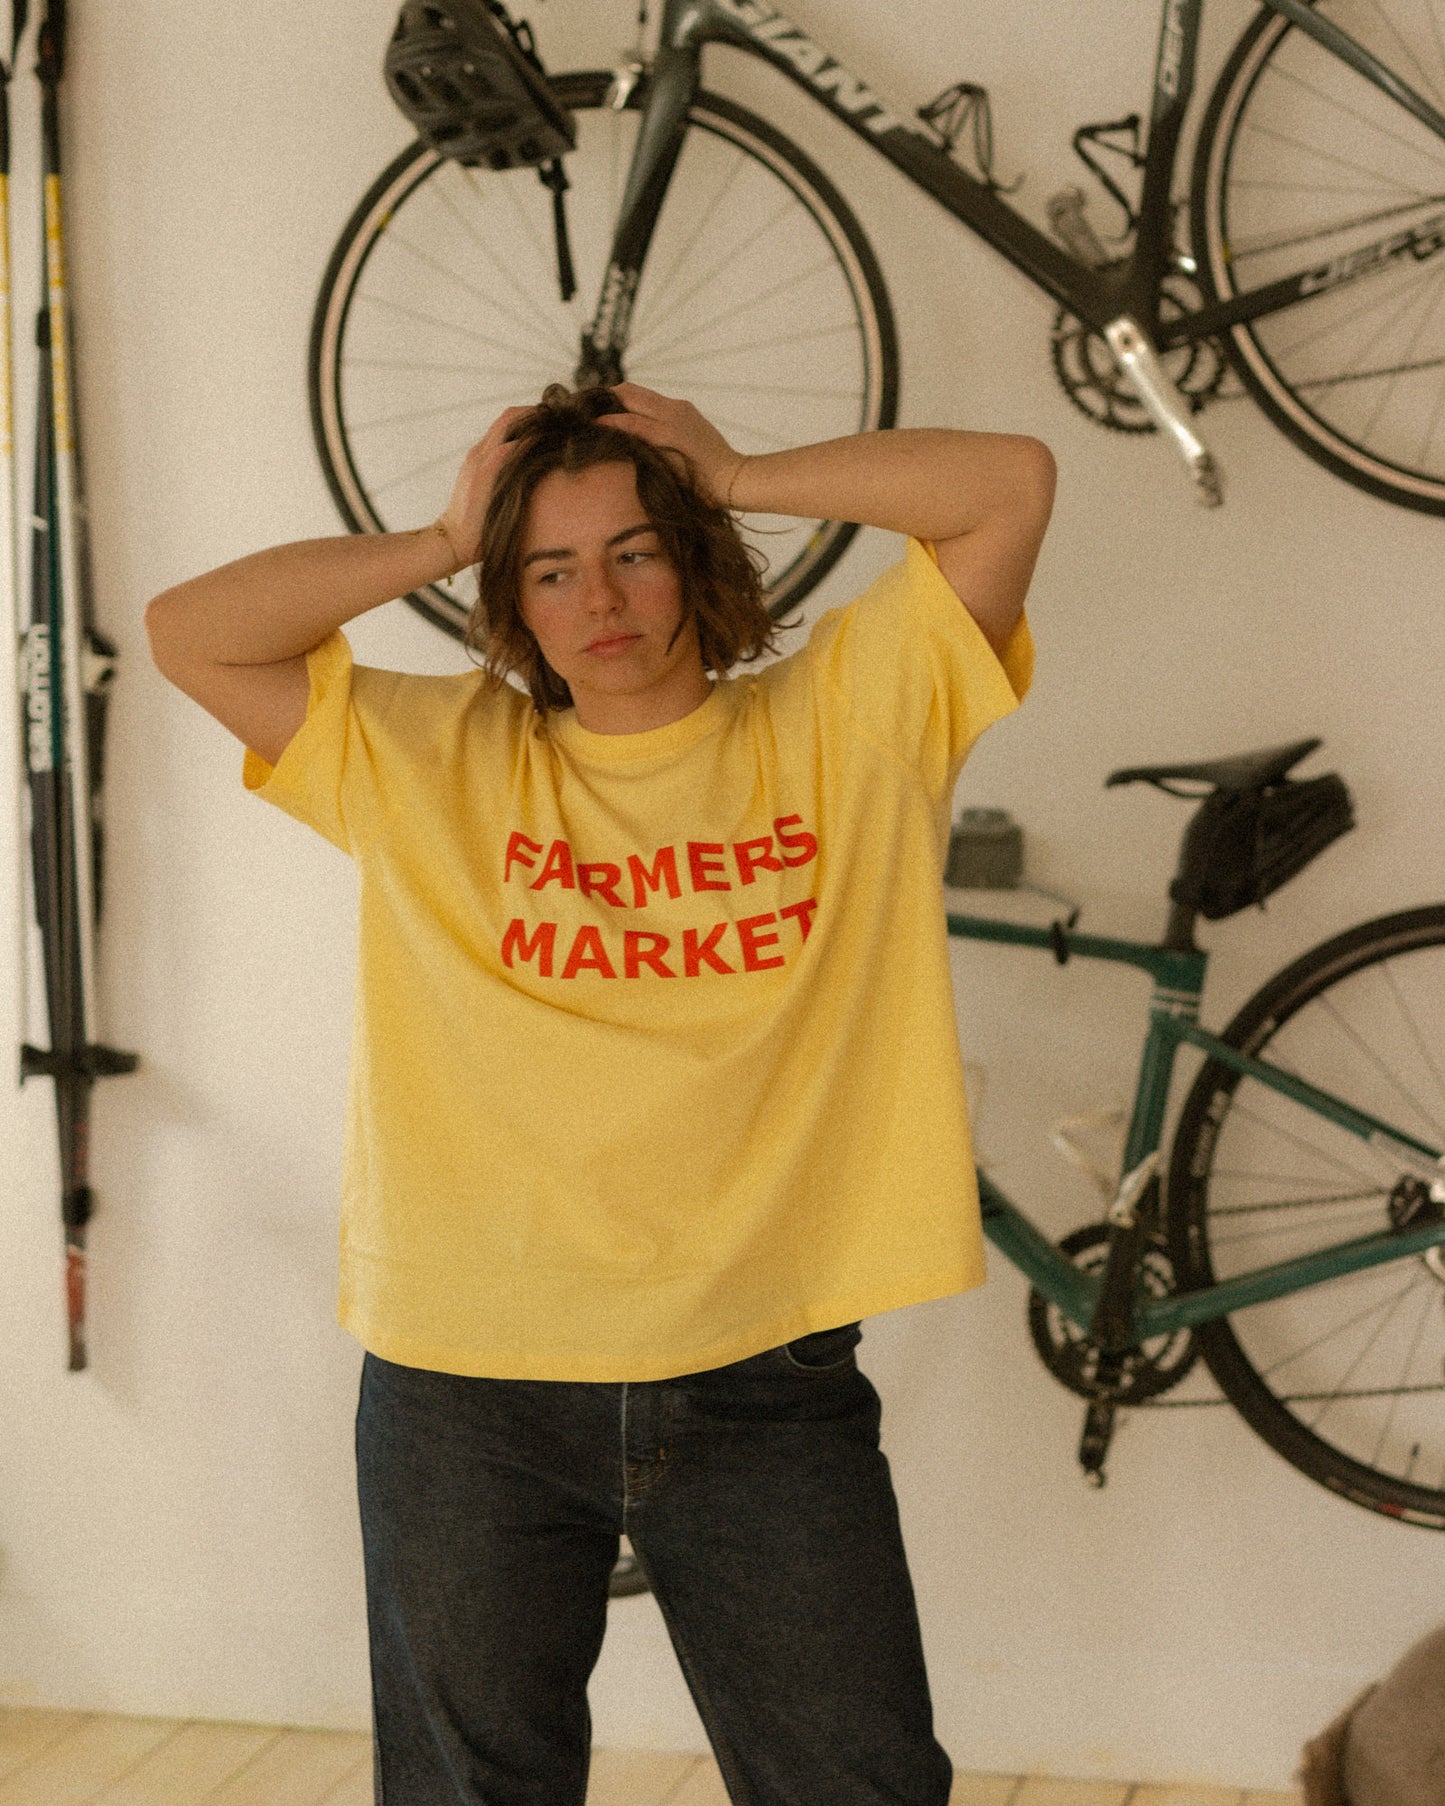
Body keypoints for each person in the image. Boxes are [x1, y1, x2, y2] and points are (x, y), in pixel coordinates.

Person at [146, 382, 1054, 1806]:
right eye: (547, 568)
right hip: (465, 1387)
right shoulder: (426, 756)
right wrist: (449, 531)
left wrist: (737, 462)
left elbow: (1007, 477)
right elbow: (187, 628)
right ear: (508, 601)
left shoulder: (855, 718)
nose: (599, 597)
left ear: (695, 553)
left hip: (762, 1377)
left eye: (634, 548)